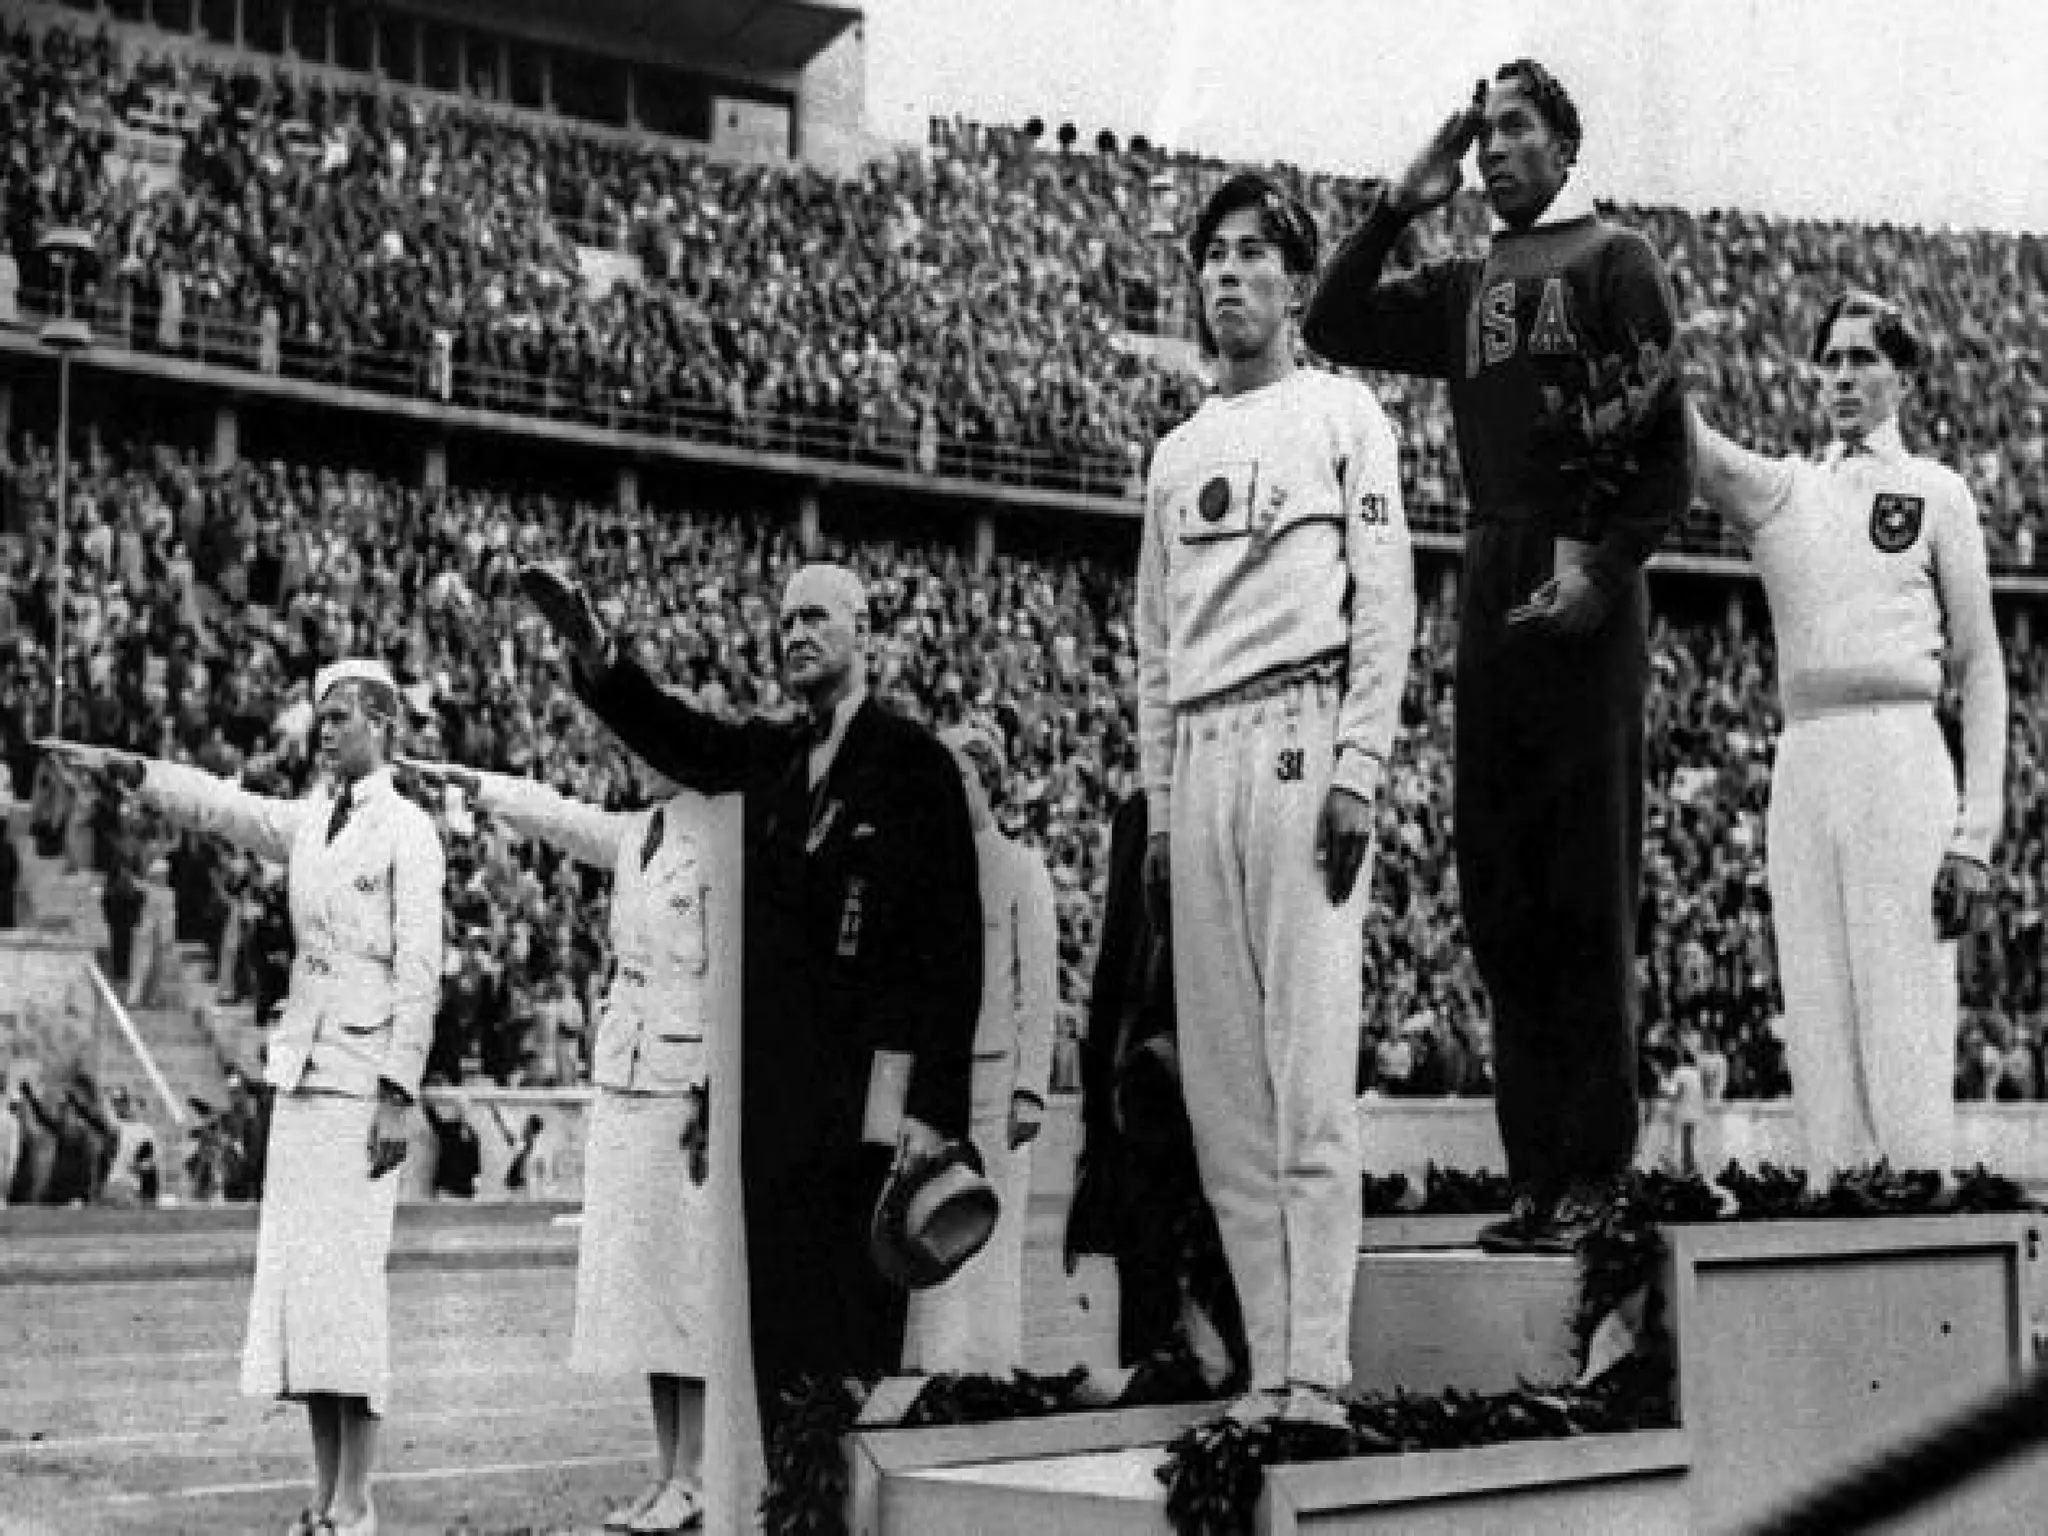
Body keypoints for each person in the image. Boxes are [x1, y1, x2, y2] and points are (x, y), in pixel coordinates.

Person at [1304, 60, 1693, 1253]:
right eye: (1482, 138)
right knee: (1498, 885)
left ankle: (1595, 1170)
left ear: (1565, 145)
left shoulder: (1616, 259)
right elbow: (1328, 323)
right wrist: (1398, 204)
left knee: (1585, 880)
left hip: (1580, 572)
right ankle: (1533, 1174)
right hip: (1487, 570)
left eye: (1515, 129)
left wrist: (1602, 570)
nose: (1493, 152)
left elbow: (1664, 450)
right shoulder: (1467, 279)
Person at [522, 561, 982, 1448]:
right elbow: (677, 736)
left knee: (858, 1339)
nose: (795, 635)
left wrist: (935, 1110)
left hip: (873, 1104)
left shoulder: (913, 762)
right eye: (785, 623)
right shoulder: (770, 756)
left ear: (863, 634)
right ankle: (794, 1501)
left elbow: (953, 949)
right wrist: (597, 655)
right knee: (778, 1347)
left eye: (815, 618)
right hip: (774, 1108)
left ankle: (848, 1506)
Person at [1137, 170, 1416, 1424]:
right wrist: (1157, 805)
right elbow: (1151, 649)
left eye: (1253, 253)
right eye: (1213, 255)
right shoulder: (1173, 453)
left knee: (1306, 1064)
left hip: (1301, 737)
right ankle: (1267, 1366)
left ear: (1296, 282)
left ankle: (1319, 1368)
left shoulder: (1343, 415)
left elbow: (1384, 596)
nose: (1228, 273)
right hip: (1200, 748)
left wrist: (1359, 765)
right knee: (1224, 1092)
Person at [53, 657, 444, 1536]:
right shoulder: (311, 822)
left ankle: (359, 1502)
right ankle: (325, 1496)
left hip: (362, 1081)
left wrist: (398, 1091)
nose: (325, 731)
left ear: (383, 724)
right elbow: (223, 808)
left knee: (349, 1292)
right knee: (303, 1295)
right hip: (301, 1073)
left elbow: (420, 970)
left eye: (342, 716)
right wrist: (136, 771)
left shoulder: (410, 831)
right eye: (321, 717)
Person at [1688, 290, 2008, 1181]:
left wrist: (1976, 834)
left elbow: (1982, 663)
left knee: (1903, 1000)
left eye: (1863, 358)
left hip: (1900, 748)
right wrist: (1656, 359)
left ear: (1904, 379)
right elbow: (1697, 455)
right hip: (1806, 755)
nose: (1842, 376)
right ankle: (1835, 1193)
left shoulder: (1937, 493)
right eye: (1830, 359)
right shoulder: (1788, 491)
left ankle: (1919, 1193)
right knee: (1817, 1009)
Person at [403, 757, 723, 1532]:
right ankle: (666, 1471)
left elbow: (728, 983)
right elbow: (558, 817)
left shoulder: (719, 838)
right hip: (627, 1069)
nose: (639, 760)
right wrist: (478, 787)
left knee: (687, 1285)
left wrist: (713, 1090)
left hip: (685, 1082)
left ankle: (698, 1475)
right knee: (645, 1290)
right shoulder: (638, 833)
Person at [902, 722, 1058, 1376]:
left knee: (994, 1221)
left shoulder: (1021, 869)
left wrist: (1031, 1088)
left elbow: (1038, 990)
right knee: (929, 1221)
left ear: (986, 782)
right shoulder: (925, 874)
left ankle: (991, 1367)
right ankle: (935, 1367)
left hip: (996, 1083)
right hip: (937, 1084)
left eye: (960, 776)